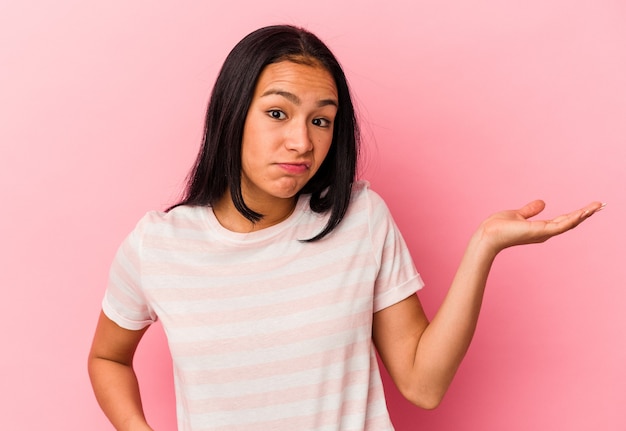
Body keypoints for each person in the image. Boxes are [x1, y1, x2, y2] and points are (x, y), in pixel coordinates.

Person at [88, 25, 604, 431]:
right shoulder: (159, 245)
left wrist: (484, 246)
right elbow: (108, 357)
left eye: (321, 120)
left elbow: (424, 386)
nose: (301, 143)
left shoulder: (360, 218)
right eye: (277, 113)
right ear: (232, 115)